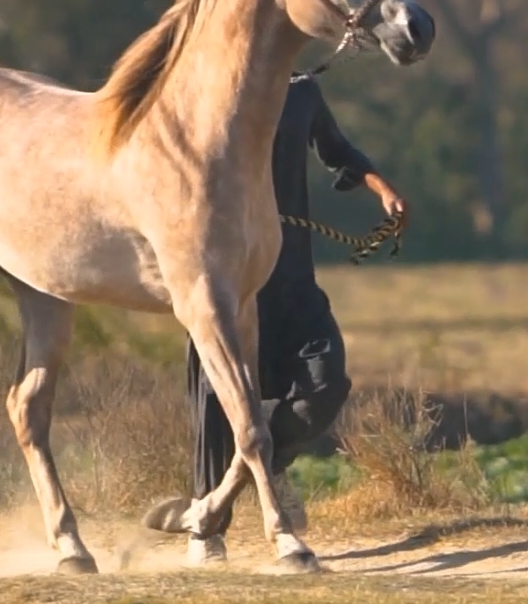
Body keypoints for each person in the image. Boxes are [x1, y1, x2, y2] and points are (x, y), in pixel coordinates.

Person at [144, 73, 408, 564]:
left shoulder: (302, 92)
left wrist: (382, 189)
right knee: (216, 409)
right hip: (226, 282)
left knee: (324, 389)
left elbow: (338, 151)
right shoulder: (206, 91)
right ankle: (207, 532)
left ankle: (264, 464)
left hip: (293, 284)